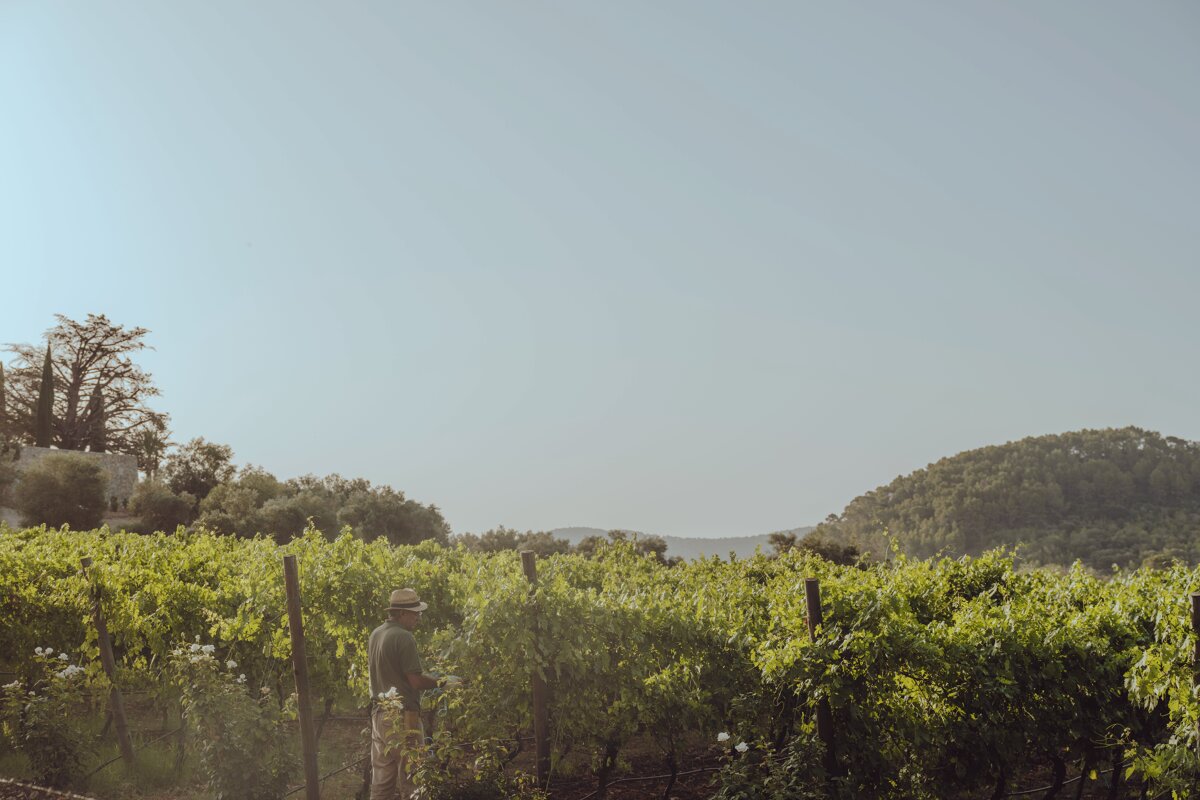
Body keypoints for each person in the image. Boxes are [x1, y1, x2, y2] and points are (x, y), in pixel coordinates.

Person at [367, 587, 461, 800]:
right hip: (403, 717)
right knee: (414, 779)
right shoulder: (404, 637)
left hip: (380, 716)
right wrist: (442, 682)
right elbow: (415, 681)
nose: (419, 617)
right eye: (415, 612)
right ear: (401, 613)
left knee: (381, 782)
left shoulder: (377, 634)